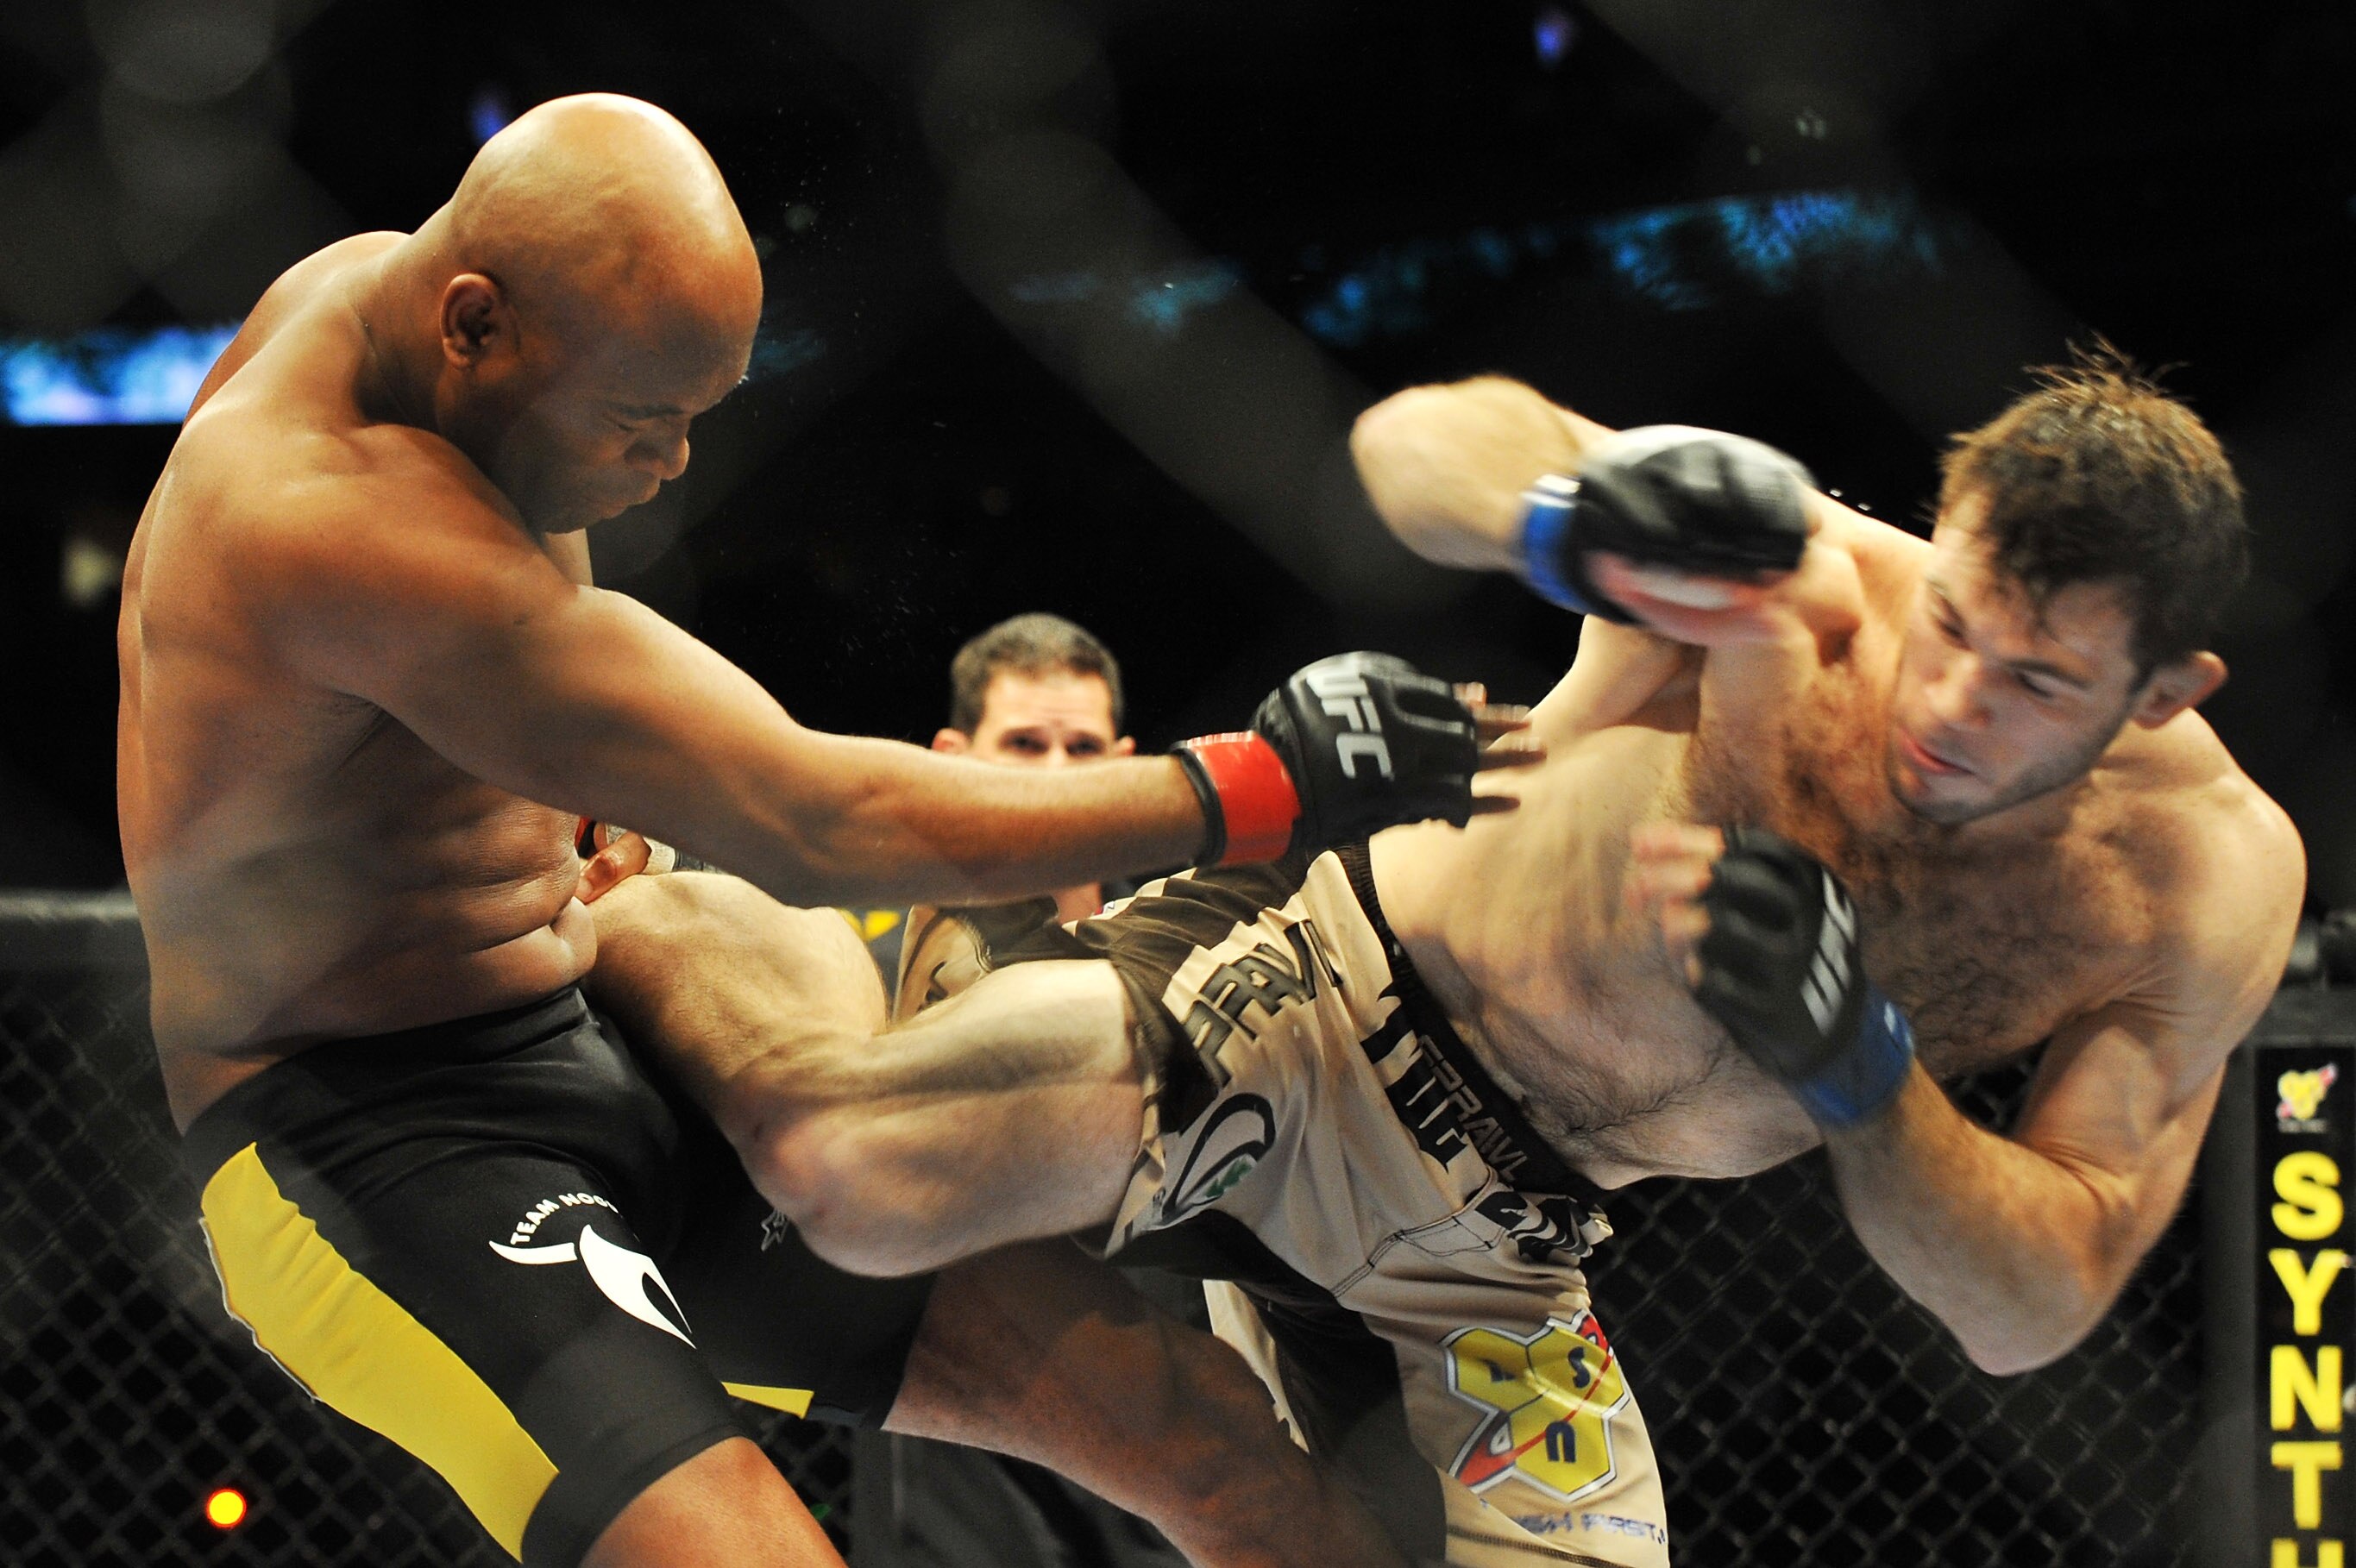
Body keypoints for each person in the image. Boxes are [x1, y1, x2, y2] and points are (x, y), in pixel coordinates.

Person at [581, 348, 2304, 1566]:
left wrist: (1863, 1071)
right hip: (1316, 1001)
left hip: (1506, 1239)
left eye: (2036, 684)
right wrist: (1565, 520)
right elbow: (1426, 440)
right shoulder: (1796, 573)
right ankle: (679, 894)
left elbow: (2030, 1306)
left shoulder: (2199, 884)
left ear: (2167, 691)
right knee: (859, 1171)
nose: (1953, 699)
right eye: (1957, 622)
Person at [116, 90, 1513, 1568]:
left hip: (591, 1024)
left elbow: (327, 705)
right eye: (641, 420)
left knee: (1212, 1437)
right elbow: (817, 817)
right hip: (373, 1145)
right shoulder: (332, 519)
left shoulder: (371, 298)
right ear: (475, 324)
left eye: (696, 418)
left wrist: (530, 757)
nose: (673, 466)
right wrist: (1263, 783)